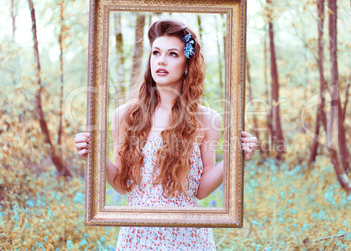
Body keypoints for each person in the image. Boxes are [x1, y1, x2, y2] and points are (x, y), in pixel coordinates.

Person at [74, 19, 257, 250]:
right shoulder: (124, 116)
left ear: (187, 64)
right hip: (137, 235)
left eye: (172, 54)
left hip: (188, 236)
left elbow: (200, 191)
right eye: (156, 53)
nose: (161, 60)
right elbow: (121, 185)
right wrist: (94, 155)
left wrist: (236, 157)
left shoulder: (207, 119)